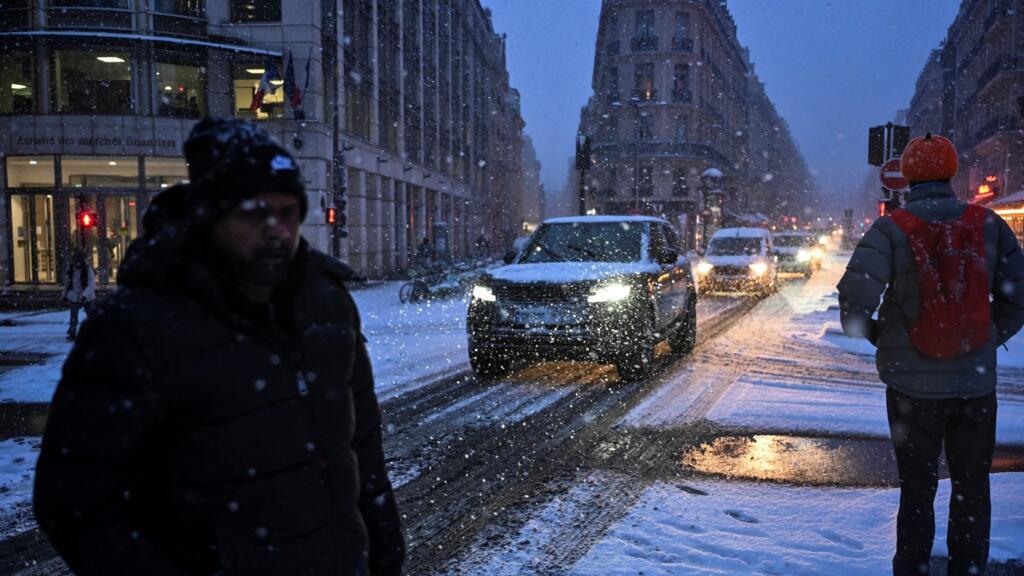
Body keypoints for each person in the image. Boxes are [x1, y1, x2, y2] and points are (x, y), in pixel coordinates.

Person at [34, 118, 405, 576]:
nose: (276, 230)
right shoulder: (135, 329)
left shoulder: (326, 305)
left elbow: (365, 460)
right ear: (210, 218)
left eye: (288, 211)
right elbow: (75, 503)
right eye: (254, 213)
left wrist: (385, 557)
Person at [838, 133, 1024, 576]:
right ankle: (968, 568)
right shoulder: (988, 224)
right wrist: (984, 337)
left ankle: (913, 567)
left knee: (917, 489)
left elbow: (853, 306)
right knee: (972, 488)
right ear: (952, 171)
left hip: (910, 389)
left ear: (909, 177)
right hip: (974, 385)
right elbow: (1018, 297)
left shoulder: (890, 229)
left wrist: (887, 339)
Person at [63, 248, 96, 341]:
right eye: (75, 261)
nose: (77, 263)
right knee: (73, 315)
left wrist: (84, 295)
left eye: (78, 261)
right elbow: (68, 283)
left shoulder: (88, 270)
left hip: (87, 297)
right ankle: (72, 331)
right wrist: (65, 295)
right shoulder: (70, 270)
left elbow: (91, 284)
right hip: (74, 296)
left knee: (91, 315)